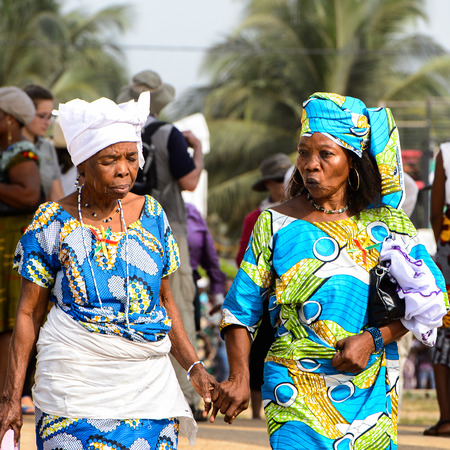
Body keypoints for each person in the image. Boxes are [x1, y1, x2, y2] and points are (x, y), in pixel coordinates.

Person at [212, 92, 448, 449]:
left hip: (370, 392)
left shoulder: (387, 225)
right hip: (291, 388)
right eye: (304, 152)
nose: (310, 164)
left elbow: (433, 299)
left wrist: (373, 339)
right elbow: (239, 311)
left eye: (325, 154)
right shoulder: (274, 223)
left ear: (352, 161)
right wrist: (241, 375)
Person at [0, 92, 216, 449]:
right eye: (110, 159)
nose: (124, 169)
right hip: (73, 391)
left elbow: (166, 302)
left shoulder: (153, 214)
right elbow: (28, 313)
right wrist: (9, 397)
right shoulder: (52, 221)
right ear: (81, 165)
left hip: (148, 394)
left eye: (132, 158)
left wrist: (195, 369)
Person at [118, 70, 204, 413]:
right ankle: (188, 395)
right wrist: (196, 149)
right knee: (178, 308)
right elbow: (191, 181)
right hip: (168, 228)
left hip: (123, 228)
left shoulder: (122, 132)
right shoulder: (168, 133)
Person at [235, 153, 291, 419]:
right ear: (267, 184)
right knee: (258, 351)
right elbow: (242, 258)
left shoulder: (307, 216)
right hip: (263, 294)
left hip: (292, 296)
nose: (282, 185)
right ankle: (256, 413)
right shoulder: (255, 218)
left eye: (285, 179)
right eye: (276, 180)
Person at [0, 86, 42, 397]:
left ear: (11, 120)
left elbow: (28, 194)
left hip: (8, 242)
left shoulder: (21, 152)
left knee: (8, 324)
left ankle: (7, 395)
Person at [425, 141, 450, 436]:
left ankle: (446, 418)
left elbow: (435, 213)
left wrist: (443, 246)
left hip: (449, 249)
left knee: (443, 330)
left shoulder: (445, 152)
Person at [22, 84, 64, 202]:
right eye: (42, 116)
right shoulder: (8, 146)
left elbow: (57, 196)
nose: (47, 122)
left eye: (49, 117)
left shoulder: (47, 147)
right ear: (25, 112)